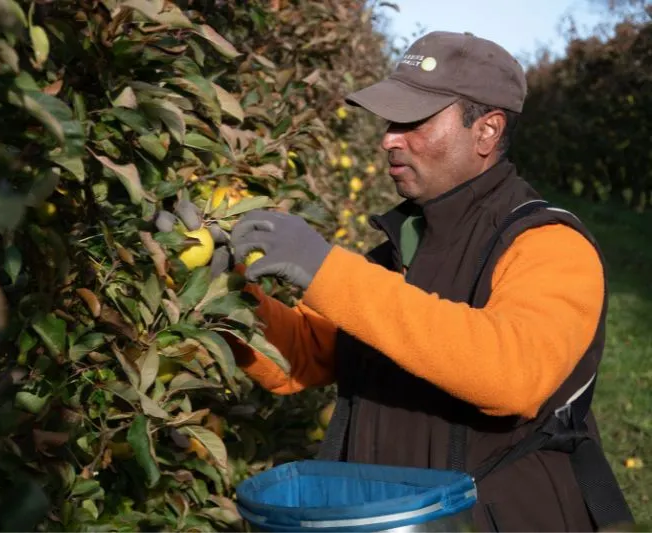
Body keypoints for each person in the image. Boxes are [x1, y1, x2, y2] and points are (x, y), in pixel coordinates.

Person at [157, 31, 633, 532]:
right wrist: (225, 294)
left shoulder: (548, 244)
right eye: (390, 120)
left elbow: (511, 374)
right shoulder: (400, 247)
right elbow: (301, 357)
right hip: (390, 519)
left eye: (413, 121)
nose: (388, 138)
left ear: (487, 131)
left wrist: (326, 270)